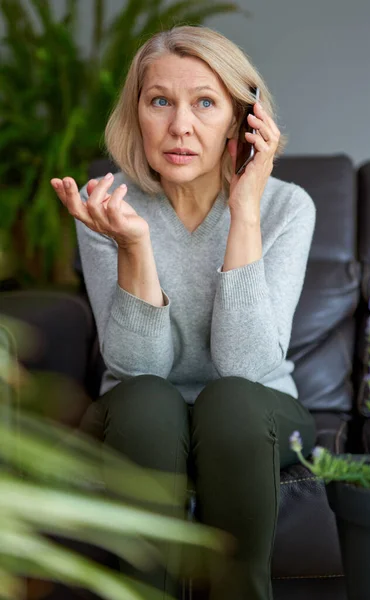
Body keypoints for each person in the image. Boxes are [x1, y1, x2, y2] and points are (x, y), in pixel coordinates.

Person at [51, 25, 317, 600]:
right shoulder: (108, 206)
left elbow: (245, 366)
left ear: (242, 120)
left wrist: (244, 210)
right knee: (149, 400)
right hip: (140, 411)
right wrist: (134, 247)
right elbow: (137, 366)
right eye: (160, 101)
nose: (180, 126)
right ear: (137, 114)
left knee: (232, 402)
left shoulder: (287, 207)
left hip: (258, 408)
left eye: (204, 102)